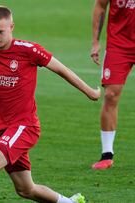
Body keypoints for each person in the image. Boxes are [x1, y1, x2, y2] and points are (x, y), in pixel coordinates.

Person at [0, 5, 101, 203]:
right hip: (6, 129)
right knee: (25, 189)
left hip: (25, 126)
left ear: (11, 26)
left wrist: (90, 92)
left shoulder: (29, 51)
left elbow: (61, 69)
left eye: (0, 32)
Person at [90, 0, 135, 170]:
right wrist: (95, 41)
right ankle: (107, 154)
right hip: (119, 45)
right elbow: (101, 6)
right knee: (110, 95)